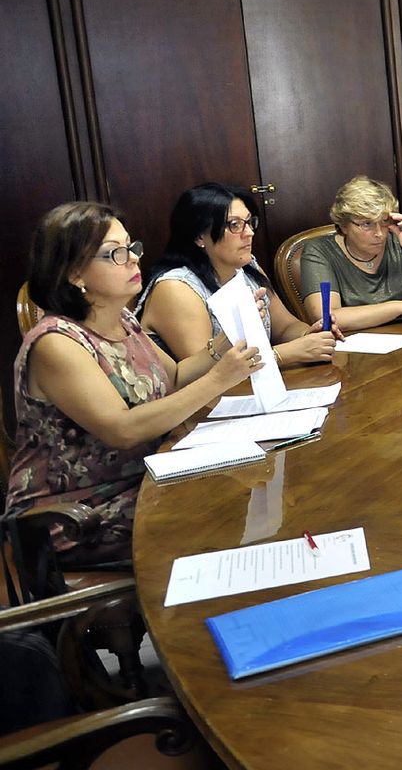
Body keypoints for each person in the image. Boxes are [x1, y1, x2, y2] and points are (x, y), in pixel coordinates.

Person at [8, 202, 258, 567]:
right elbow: (122, 430)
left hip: (146, 477)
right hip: (78, 513)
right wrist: (219, 380)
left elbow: (172, 378)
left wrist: (225, 341)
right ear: (74, 273)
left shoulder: (123, 318)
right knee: (221, 516)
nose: (133, 260)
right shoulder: (56, 344)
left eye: (131, 247)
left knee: (245, 482)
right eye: (115, 254)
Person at [138, 183, 337, 367]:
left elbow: (285, 327)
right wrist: (284, 354)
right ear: (199, 236)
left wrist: (309, 335)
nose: (249, 232)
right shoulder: (175, 288)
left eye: (250, 222)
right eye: (234, 225)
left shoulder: (247, 266)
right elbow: (204, 373)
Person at [297, 175, 402, 331]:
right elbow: (327, 318)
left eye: (384, 221)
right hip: (357, 354)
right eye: (366, 224)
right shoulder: (319, 251)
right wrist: (400, 307)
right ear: (343, 226)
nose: (379, 233)